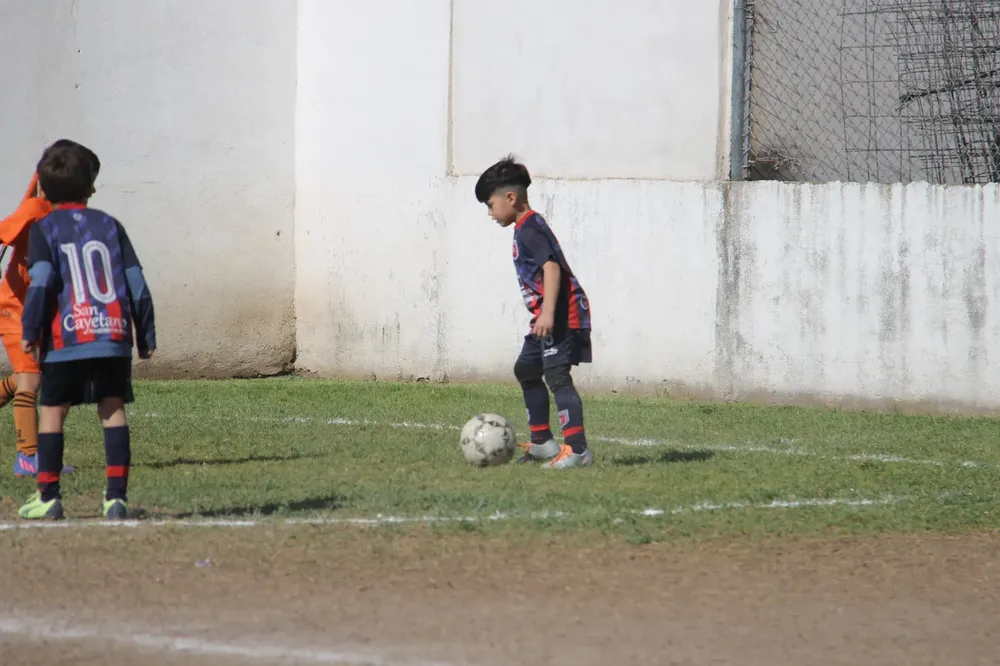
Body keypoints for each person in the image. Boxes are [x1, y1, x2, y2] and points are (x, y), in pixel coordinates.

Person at [18, 141, 156, 520]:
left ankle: (47, 496)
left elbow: (42, 281)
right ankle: (116, 498)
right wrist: (145, 336)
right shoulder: (111, 225)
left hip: (65, 338)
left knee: (51, 410)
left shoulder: (43, 229)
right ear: (91, 187)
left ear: (42, 191)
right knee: (111, 409)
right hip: (111, 336)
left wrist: (30, 328)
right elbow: (137, 284)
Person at [474, 156, 594, 469]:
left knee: (557, 376)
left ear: (510, 198)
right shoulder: (526, 226)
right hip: (546, 317)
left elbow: (551, 268)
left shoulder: (528, 230)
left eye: (490, 204)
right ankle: (541, 442)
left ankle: (578, 450)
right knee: (526, 370)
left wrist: (548, 314)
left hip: (559, 316)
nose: (489, 213)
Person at [0, 139, 97, 477]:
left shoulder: (76, 221)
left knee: (40, 379)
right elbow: (3, 234)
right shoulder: (32, 212)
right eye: (90, 181)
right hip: (14, 307)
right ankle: (28, 457)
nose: (95, 189)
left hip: (44, 312)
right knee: (31, 380)